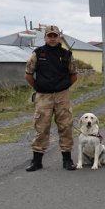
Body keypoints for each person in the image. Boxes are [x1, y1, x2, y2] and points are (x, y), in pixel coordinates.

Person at [24, 25, 78, 172]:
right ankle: (36, 161)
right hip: (43, 96)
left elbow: (74, 75)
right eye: (50, 36)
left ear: (59, 37)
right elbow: (28, 75)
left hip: (62, 95)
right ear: (45, 37)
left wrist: (63, 87)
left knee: (66, 126)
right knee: (41, 127)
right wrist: (39, 88)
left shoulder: (67, 54)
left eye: (55, 36)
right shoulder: (37, 54)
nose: (53, 39)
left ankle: (67, 160)